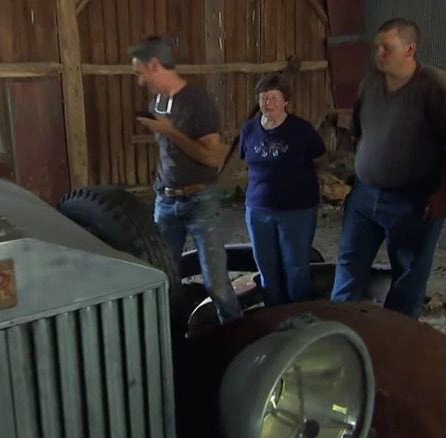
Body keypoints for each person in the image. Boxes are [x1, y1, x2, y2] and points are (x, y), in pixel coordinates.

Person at [330, 18, 446, 318]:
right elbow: (358, 132)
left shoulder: (437, 88)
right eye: (376, 47)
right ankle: (336, 333)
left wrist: (445, 193)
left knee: (408, 276)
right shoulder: (370, 83)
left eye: (386, 48)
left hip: (413, 200)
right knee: (349, 267)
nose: (378, 53)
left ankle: (397, 342)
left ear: (409, 49)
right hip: (365, 197)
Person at [130, 36, 242, 323]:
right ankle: (171, 340)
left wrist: (172, 132)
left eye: (140, 72)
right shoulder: (157, 102)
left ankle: (237, 334)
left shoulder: (197, 101)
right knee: (161, 278)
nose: (140, 81)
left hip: (199, 201)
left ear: (154, 65)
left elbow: (211, 158)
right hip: (165, 201)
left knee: (216, 284)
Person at [239, 73, 327, 306]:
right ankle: (274, 313)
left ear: (285, 101)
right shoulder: (249, 129)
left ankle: (298, 314)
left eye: (274, 97)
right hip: (258, 211)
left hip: (296, 210)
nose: (268, 103)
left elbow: (320, 159)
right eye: (264, 98)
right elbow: (247, 162)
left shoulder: (301, 130)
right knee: (266, 266)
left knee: (295, 266)